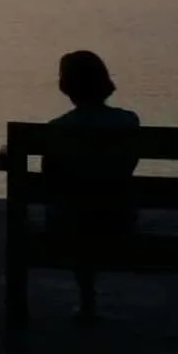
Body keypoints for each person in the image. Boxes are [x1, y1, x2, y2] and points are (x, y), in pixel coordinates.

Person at [43, 50, 140, 322]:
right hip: (119, 218)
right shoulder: (128, 122)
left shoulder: (58, 128)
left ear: (66, 87)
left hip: (70, 222)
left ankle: (87, 300)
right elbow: (129, 164)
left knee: (76, 213)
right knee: (88, 210)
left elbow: (49, 177)